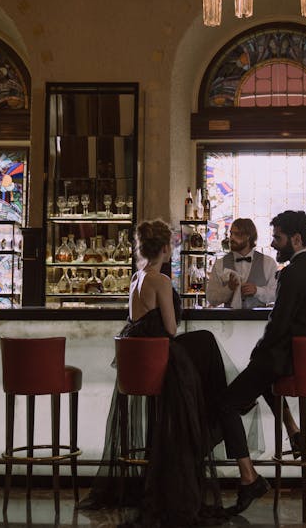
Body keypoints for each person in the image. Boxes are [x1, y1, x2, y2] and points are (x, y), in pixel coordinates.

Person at [80, 219, 230, 526]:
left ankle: (211, 418)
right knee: (207, 345)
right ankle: (213, 423)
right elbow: (172, 329)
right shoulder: (161, 281)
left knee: (203, 346)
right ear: (165, 247)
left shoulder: (137, 276)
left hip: (137, 362)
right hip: (158, 360)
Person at [217, 210, 306, 514]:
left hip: (284, 359)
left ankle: (249, 477)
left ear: (296, 239)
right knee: (263, 379)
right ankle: (293, 431)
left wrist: (258, 351)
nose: (273, 243)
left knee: (226, 404)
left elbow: (278, 325)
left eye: (278, 237)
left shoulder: (291, 273)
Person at [205, 218, 277, 309]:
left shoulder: (268, 263)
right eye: (231, 233)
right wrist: (229, 289)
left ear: (249, 236)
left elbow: (276, 294)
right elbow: (211, 298)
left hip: (258, 320)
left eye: (237, 234)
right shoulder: (220, 264)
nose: (232, 238)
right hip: (228, 321)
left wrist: (257, 291)